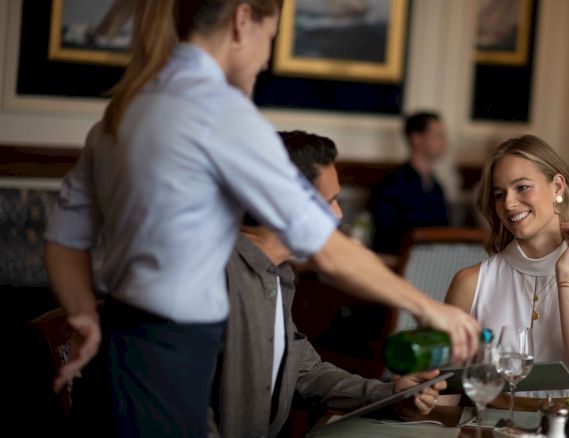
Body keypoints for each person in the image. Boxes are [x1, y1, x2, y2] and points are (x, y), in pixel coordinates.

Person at [43, 1, 480, 436]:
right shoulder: (222, 114)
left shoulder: (123, 112)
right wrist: (427, 308)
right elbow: (326, 250)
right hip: (171, 366)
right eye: (270, 37)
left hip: (122, 355)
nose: (267, 57)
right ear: (242, 20)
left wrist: (84, 317)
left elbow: (63, 239)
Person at [212, 131, 444, 437]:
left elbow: (304, 371)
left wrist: (392, 395)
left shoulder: (279, 274)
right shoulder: (215, 275)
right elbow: (181, 406)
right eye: (330, 201)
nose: (338, 215)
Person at [445, 135, 569, 403]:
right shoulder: (470, 283)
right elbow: (445, 398)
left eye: (522, 187)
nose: (509, 204)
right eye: (500, 194)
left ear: (558, 186)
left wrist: (566, 276)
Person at [369, 111, 450, 255]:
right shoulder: (391, 186)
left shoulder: (437, 187)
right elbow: (386, 238)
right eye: (438, 136)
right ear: (416, 139)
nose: (444, 142)